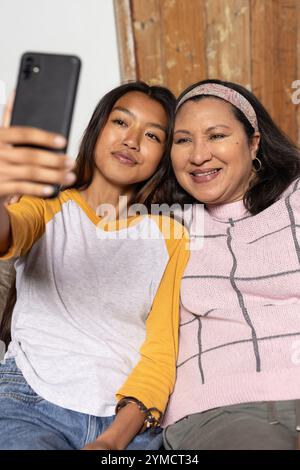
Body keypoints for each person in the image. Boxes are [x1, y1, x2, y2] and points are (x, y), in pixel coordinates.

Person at [0, 81, 189, 450]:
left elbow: (161, 352)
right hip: (30, 402)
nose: (132, 140)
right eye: (121, 122)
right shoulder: (47, 205)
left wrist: (111, 442)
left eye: (152, 135)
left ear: (163, 155)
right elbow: (8, 235)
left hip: (127, 424)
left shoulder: (171, 236)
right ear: (97, 128)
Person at [161, 79, 300, 450]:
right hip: (219, 410)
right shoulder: (163, 225)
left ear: (254, 142)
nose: (199, 155)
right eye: (183, 140)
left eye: (217, 135)